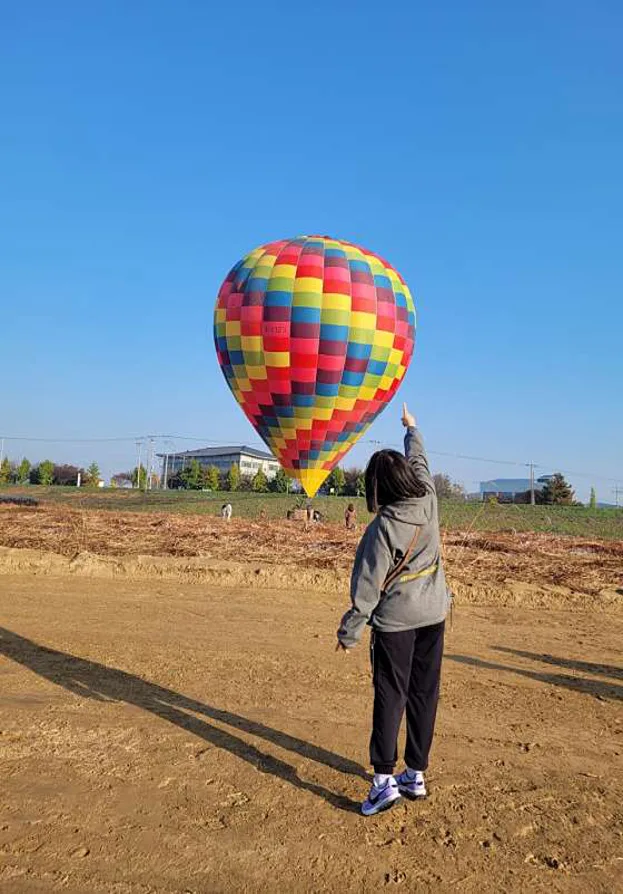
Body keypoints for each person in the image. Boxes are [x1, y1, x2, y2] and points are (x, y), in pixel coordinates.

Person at [336, 403, 451, 817]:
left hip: (396, 623)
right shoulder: (429, 498)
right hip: (435, 615)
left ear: (377, 488)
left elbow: (366, 589)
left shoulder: (383, 527)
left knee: (390, 695)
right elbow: (420, 459)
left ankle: (383, 782)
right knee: (424, 693)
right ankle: (415, 773)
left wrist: (349, 632)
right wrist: (411, 428)